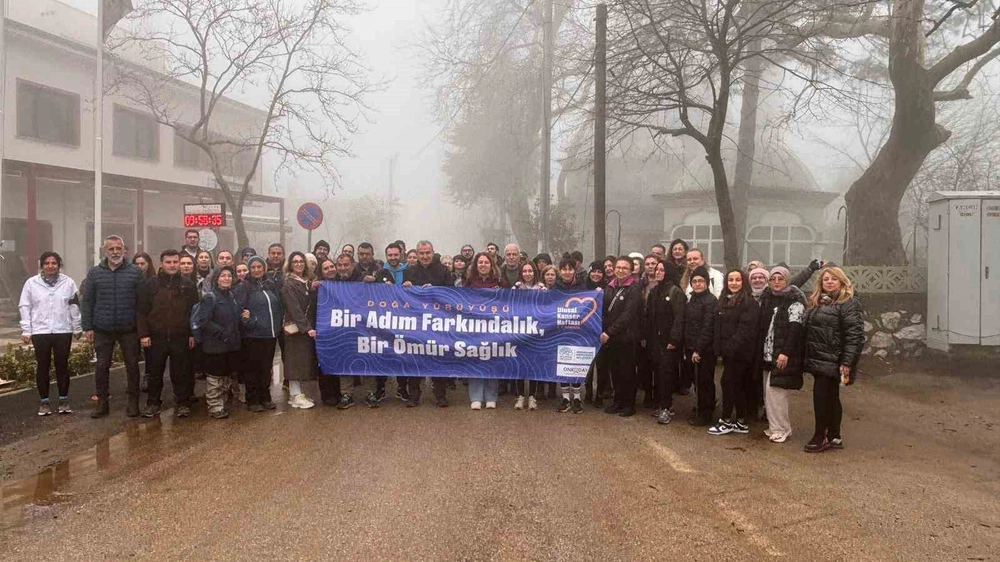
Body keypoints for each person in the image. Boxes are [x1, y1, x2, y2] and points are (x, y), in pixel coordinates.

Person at [80, 235, 145, 418]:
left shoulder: (135, 272)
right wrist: (88, 327)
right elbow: (87, 301)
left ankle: (133, 402)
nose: (115, 252)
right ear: (104, 251)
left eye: (118, 248)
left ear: (124, 250)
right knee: (101, 367)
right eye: (111, 249)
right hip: (103, 328)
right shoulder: (94, 273)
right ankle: (102, 403)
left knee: (132, 366)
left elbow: (142, 303)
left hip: (129, 329)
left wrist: (142, 329)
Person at [803, 267, 863, 452]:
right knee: (831, 397)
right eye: (826, 279)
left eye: (834, 279)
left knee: (821, 397)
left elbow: (855, 335)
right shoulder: (818, 301)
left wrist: (847, 362)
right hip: (819, 357)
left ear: (842, 281)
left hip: (834, 360)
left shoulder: (848, 303)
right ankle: (834, 436)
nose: (829, 281)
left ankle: (820, 435)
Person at [136, 249, 199, 418]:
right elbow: (141, 311)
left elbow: (194, 312)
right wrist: (144, 334)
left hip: (181, 336)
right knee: (155, 373)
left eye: (175, 262)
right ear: (161, 264)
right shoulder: (151, 285)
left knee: (181, 372)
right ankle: (153, 403)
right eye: (168, 262)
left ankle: (183, 403)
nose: (172, 265)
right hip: (156, 337)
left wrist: (192, 334)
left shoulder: (188, 285)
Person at [19, 252, 82, 416]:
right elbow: (25, 306)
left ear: (59, 265)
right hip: (41, 331)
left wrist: (77, 327)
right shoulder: (31, 283)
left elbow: (74, 306)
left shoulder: (68, 283)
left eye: (54, 263)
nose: (50, 266)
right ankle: (44, 401)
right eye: (47, 263)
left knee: (62, 365)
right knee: (43, 366)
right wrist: (26, 329)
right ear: (41, 265)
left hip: (63, 330)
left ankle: (63, 400)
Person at [707, 269, 760, 435]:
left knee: (728, 383)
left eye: (738, 280)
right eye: (731, 280)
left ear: (743, 282)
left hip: (740, 353)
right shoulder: (723, 300)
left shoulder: (749, 303)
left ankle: (726, 420)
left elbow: (745, 330)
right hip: (727, 352)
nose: (734, 283)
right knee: (736, 385)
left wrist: (730, 348)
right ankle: (741, 420)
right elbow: (717, 326)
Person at [402, 240, 453, 407]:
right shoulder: (409, 271)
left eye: (427, 253)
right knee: (414, 359)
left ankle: (440, 395)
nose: (425, 256)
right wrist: (406, 287)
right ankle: (414, 396)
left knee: (438, 358)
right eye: (421, 253)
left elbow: (452, 293)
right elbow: (403, 298)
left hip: (438, 321)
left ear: (433, 252)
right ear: (417, 254)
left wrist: (435, 289)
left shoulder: (443, 270)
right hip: (416, 321)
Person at [759, 266, 807, 443]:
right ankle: (775, 426)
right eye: (773, 279)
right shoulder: (768, 299)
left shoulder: (795, 301)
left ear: (787, 280)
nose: (776, 282)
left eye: (781, 279)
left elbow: (795, 329)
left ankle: (782, 429)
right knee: (768, 393)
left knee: (776, 393)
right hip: (767, 353)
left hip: (782, 354)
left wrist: (785, 352)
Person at [233, 256, 281, 412]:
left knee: (265, 368)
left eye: (259, 267)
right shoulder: (244, 286)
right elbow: (238, 309)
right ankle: (252, 399)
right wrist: (249, 322)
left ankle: (265, 397)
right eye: (252, 267)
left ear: (264, 268)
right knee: (252, 369)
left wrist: (278, 325)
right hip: (252, 335)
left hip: (270, 334)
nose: (256, 270)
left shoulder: (270, 284)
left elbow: (278, 304)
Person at [314, 255, 361, 408]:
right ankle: (333, 395)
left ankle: (347, 393)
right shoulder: (320, 286)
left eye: (331, 267)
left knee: (353, 359)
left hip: (352, 328)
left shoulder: (352, 281)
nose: (331, 269)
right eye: (326, 268)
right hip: (328, 329)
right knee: (331, 360)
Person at [196, 266, 242, 419]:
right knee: (215, 378)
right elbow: (204, 321)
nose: (226, 278)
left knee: (226, 376)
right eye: (223, 276)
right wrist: (221, 333)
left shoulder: (231, 296)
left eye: (229, 275)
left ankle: (221, 403)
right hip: (215, 346)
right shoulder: (210, 297)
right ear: (216, 279)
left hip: (230, 345)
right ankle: (215, 407)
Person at [601, 257, 642, 417]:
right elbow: (604, 310)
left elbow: (628, 315)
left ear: (631, 271)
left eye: (625, 268)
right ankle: (617, 401)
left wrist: (609, 332)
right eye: (618, 267)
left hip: (627, 337)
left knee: (627, 372)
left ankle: (629, 404)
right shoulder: (609, 287)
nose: (620, 270)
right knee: (615, 371)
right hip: (612, 338)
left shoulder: (634, 289)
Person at [463, 252, 503, 409]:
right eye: (480, 262)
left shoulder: (500, 282)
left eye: (486, 262)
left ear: (491, 265)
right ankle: (476, 397)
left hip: (494, 327)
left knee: (492, 360)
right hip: (474, 327)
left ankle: (491, 396)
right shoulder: (469, 282)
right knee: (475, 359)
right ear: (476, 265)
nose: (483, 265)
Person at [649, 261, 685, 425]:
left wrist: (674, 339)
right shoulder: (654, 290)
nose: (658, 272)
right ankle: (660, 404)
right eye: (657, 269)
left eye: (662, 270)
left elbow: (679, 318)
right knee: (658, 372)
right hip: (655, 339)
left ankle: (666, 407)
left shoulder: (675, 291)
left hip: (668, 341)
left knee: (666, 374)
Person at [682, 266, 718, 426]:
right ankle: (702, 405)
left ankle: (706, 413)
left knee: (704, 381)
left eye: (701, 281)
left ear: (707, 283)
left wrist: (698, 349)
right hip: (691, 346)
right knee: (696, 380)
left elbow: (708, 327)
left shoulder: (710, 301)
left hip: (704, 350)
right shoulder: (693, 299)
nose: (697, 284)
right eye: (694, 281)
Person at [281, 251, 317, 409]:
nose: (299, 264)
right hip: (296, 329)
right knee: (294, 361)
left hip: (304, 328)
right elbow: (294, 309)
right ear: (290, 264)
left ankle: (297, 393)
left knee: (302, 360)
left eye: (301, 261)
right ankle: (295, 394)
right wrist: (307, 327)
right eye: (295, 261)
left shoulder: (306, 282)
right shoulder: (289, 284)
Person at [510, 261, 545, 410]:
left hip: (536, 332)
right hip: (519, 331)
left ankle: (532, 397)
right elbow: (509, 307)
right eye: (524, 271)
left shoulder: (542, 288)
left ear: (534, 272)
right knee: (520, 365)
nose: (527, 274)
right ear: (521, 273)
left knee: (533, 365)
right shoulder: (515, 288)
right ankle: (520, 397)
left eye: (530, 271)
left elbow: (546, 308)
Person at [637, 254, 661, 409]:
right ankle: (647, 393)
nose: (651, 266)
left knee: (658, 365)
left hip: (659, 329)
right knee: (644, 365)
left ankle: (658, 395)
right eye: (647, 264)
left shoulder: (664, 282)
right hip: (643, 328)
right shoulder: (640, 284)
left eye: (654, 263)